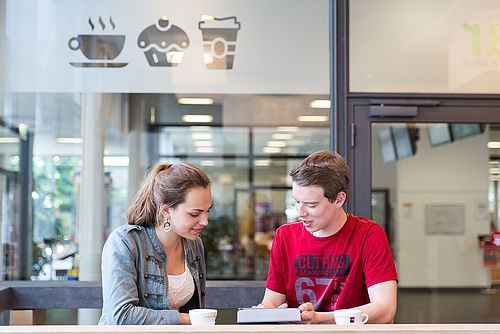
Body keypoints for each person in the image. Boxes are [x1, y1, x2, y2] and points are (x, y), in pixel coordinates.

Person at [256, 150, 398, 324]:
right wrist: (264, 311)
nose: (300, 212)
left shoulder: (369, 235)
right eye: (297, 202)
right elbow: (272, 301)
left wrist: (321, 319)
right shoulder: (285, 236)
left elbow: (386, 309)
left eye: (311, 205)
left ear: (339, 199)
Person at [99, 162, 212, 325]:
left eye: (208, 211)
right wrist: (186, 319)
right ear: (166, 210)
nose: (205, 221)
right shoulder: (125, 242)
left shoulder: (194, 244)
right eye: (195, 214)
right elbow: (121, 316)